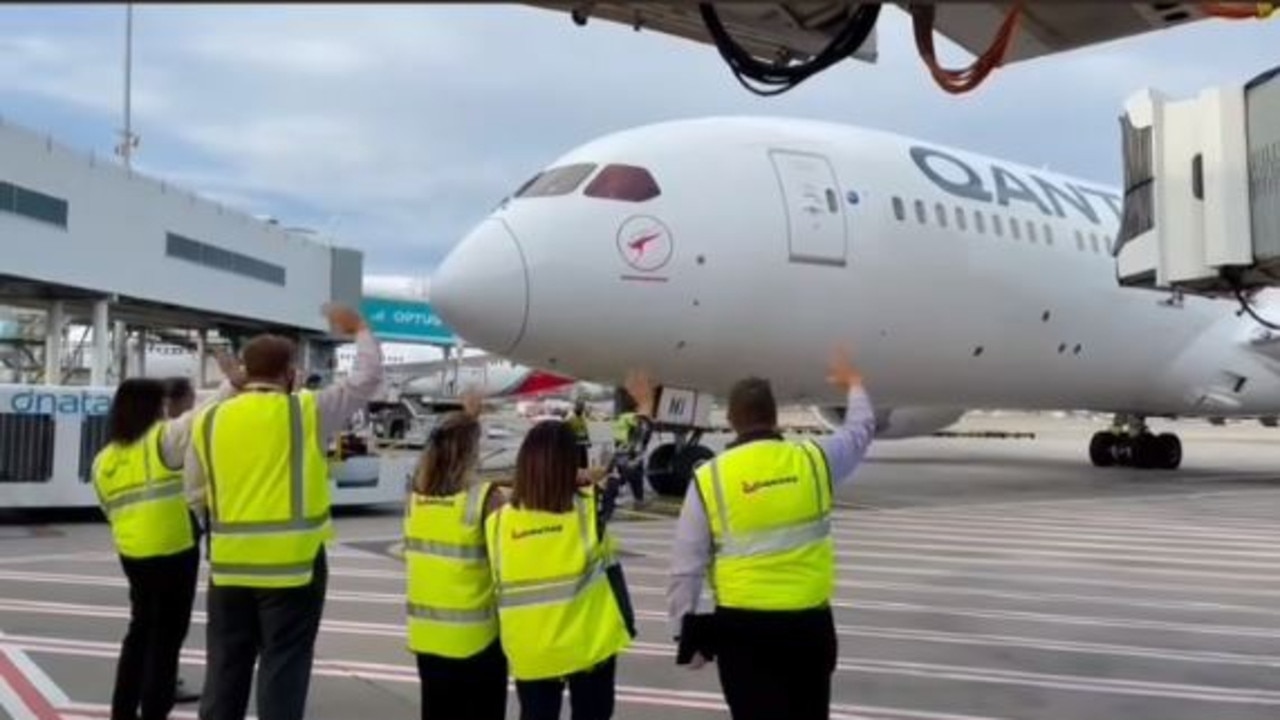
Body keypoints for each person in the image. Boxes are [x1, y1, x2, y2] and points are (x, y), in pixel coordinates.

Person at [185, 304, 384, 720]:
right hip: (293, 569)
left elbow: (195, 492)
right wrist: (361, 330)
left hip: (229, 567)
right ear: (290, 373)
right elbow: (364, 380)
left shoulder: (209, 419)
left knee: (225, 669)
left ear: (244, 371)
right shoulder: (305, 411)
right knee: (284, 667)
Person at [664, 348, 876, 720]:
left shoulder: (710, 477)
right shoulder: (813, 460)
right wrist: (855, 386)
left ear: (731, 420)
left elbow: (687, 566)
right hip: (809, 630)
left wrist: (686, 635)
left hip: (744, 636)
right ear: (774, 417)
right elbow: (860, 431)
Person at [93, 359, 237, 720]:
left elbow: (108, 508)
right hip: (174, 549)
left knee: (139, 631)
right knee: (167, 640)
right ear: (151, 408)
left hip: (133, 555)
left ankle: (122, 711)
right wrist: (232, 383)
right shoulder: (162, 439)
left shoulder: (103, 459)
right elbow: (203, 416)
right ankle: (155, 712)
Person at [485, 420, 636, 720]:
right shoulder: (590, 511)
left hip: (532, 651)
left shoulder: (497, 523)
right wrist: (643, 412)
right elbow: (624, 463)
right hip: (589, 648)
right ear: (571, 465)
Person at [404, 390, 507, 720]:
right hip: (477, 640)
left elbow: (441, 449)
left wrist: (467, 418)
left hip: (428, 637)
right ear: (471, 453)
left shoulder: (415, 499)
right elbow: (508, 561)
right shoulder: (484, 500)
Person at [158, 376, 205, 706]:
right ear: (177, 401)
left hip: (144, 540)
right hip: (175, 537)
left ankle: (157, 681)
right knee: (172, 621)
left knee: (149, 621)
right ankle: (164, 684)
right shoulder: (175, 435)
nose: (192, 404)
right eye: (190, 399)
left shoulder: (143, 435)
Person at [566, 400, 592, 469]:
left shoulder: (582, 417)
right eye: (580, 407)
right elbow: (566, 432)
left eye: (582, 407)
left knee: (584, 463)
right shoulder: (570, 418)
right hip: (574, 445)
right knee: (576, 462)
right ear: (576, 407)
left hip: (582, 443)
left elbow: (584, 430)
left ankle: (583, 478)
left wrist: (588, 440)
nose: (581, 409)